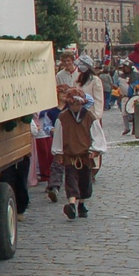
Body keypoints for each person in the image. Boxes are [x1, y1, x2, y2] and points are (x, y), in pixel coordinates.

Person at [53, 88, 97, 219]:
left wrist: (95, 150)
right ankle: (71, 204)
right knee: (71, 179)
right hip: (70, 155)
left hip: (85, 154)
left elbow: (96, 133)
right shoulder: (62, 117)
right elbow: (58, 136)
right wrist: (58, 153)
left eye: (77, 104)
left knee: (84, 180)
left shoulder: (89, 117)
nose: (75, 107)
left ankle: (81, 204)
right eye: (72, 104)